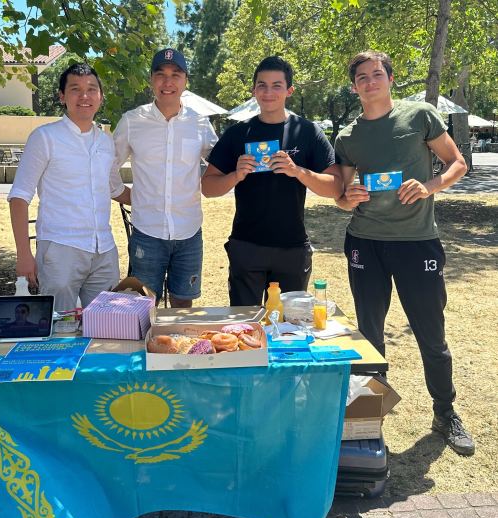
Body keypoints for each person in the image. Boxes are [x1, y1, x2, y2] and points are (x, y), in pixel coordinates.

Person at [334, 50, 474, 456]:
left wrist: (430, 186)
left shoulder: (420, 115)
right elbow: (342, 197)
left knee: (432, 335)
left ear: (390, 79)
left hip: (417, 244)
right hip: (366, 243)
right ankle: (369, 417)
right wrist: (350, 196)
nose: (370, 81)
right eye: (362, 76)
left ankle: (445, 412)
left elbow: (457, 163)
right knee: (370, 334)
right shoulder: (347, 137)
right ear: (355, 85)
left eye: (377, 73)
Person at [201, 56, 343, 306]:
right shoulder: (237, 134)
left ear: (289, 90)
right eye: (262, 85)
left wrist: (298, 171)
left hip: (292, 248)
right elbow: (208, 188)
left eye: (276, 85)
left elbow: (335, 186)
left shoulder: (307, 131)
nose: (268, 92)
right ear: (254, 89)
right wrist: (236, 175)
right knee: (245, 326)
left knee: (290, 330)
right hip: (246, 246)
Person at [8, 63, 130, 312]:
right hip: (60, 249)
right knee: (57, 325)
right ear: (62, 96)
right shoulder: (44, 138)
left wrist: (159, 199)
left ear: (100, 96)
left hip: (104, 250)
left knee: (105, 326)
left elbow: (115, 190)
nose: (84, 96)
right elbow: (19, 197)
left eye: (91, 89)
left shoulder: (106, 141)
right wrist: (24, 254)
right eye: (75, 89)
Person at [113, 48, 218, 307]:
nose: (167, 82)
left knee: (183, 310)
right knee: (142, 309)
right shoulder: (132, 121)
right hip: (147, 232)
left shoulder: (200, 123)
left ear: (185, 81)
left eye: (175, 75)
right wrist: (126, 195)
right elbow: (105, 167)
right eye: (160, 74)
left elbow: (220, 162)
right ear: (151, 79)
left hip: (189, 232)